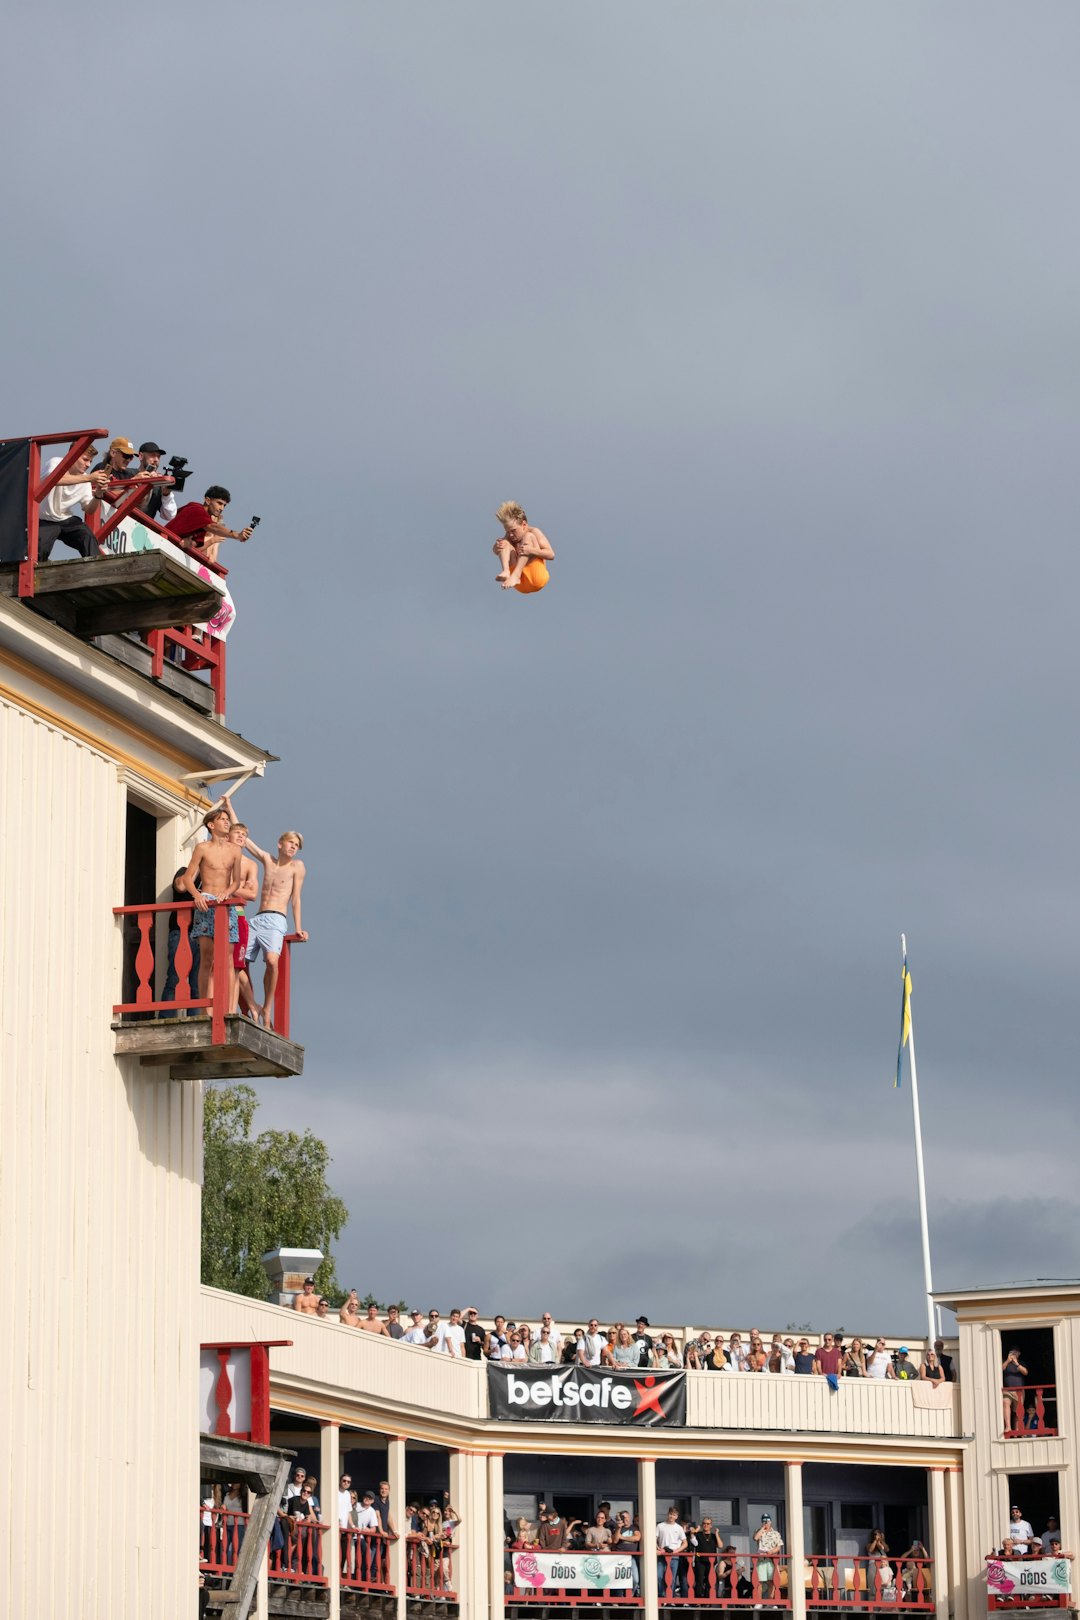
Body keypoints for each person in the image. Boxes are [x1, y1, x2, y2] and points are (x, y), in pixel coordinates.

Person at [227, 803, 307, 1029]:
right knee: (237, 963)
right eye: (291, 843)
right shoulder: (267, 860)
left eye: (297, 846)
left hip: (276, 919)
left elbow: (296, 898)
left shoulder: (297, 867)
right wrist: (230, 805)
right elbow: (243, 837)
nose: (294, 848)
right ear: (280, 844)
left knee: (272, 960)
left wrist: (299, 926)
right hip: (258, 918)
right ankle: (253, 1005)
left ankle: (268, 1008)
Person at [180, 807, 242, 1010]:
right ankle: (205, 1007)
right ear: (211, 825)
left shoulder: (235, 850)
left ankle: (229, 1008)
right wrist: (196, 895)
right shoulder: (202, 848)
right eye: (222, 819)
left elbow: (236, 881)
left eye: (227, 819)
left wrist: (228, 892)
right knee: (207, 956)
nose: (227, 822)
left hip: (225, 903)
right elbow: (188, 878)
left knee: (229, 957)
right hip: (206, 901)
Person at [37, 442, 109, 559]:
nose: (88, 465)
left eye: (90, 461)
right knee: (39, 550)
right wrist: (89, 478)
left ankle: (95, 568)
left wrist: (98, 494)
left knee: (87, 536)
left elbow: (89, 509)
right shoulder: (56, 462)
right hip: (43, 519)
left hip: (65, 519)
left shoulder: (85, 479)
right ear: (72, 455)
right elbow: (53, 480)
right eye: (85, 459)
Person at [166, 484, 253, 567]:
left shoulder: (204, 522)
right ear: (208, 500)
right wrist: (236, 535)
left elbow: (195, 546)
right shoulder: (196, 509)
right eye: (219, 503)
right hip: (164, 542)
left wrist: (189, 542)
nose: (222, 508)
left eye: (224, 506)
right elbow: (213, 527)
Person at [161, 866, 202, 1012]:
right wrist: (197, 866)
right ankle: (166, 1020)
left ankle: (195, 1023)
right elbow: (180, 887)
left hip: (202, 936)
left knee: (197, 985)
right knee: (175, 979)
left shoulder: (212, 879)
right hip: (180, 932)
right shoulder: (185, 871)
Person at [492, 500, 556, 593]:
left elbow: (551, 555)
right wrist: (496, 547)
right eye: (508, 531)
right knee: (504, 542)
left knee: (528, 536)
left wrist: (532, 550)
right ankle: (506, 571)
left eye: (513, 531)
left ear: (524, 525)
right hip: (520, 584)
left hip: (536, 578)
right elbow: (497, 551)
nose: (510, 535)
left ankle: (515, 575)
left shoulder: (534, 531)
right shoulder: (509, 536)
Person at [133, 442, 177, 525]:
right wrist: (138, 481)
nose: (156, 460)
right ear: (141, 456)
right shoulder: (129, 473)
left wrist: (166, 494)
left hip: (140, 533)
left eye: (158, 457)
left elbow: (170, 516)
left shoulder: (158, 486)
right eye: (152, 455)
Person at [657, 1507, 688, 1597]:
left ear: (676, 1517)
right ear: (668, 1514)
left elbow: (685, 1543)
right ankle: (661, 1595)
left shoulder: (679, 1528)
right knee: (659, 1576)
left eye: (674, 1515)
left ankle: (670, 1597)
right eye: (670, 1514)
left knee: (672, 1578)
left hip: (674, 1557)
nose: (671, 1516)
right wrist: (658, 1548)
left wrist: (675, 1551)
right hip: (662, 1555)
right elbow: (654, 1539)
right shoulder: (660, 1526)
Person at [754, 1513, 784, 1601]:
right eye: (763, 1521)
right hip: (761, 1560)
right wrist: (762, 1529)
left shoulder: (776, 1533)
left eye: (767, 1521)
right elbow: (755, 1538)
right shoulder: (758, 1531)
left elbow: (778, 1546)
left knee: (772, 1581)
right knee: (759, 1582)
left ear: (770, 1522)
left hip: (771, 1560)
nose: (765, 1523)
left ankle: (771, 1602)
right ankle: (759, 1602)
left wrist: (771, 1552)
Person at [692, 1516, 721, 1599]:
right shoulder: (698, 1534)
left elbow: (720, 1545)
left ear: (711, 1525)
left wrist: (716, 1534)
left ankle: (707, 1599)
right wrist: (696, 1530)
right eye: (704, 1523)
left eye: (708, 1524)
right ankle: (698, 1599)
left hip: (711, 1562)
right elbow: (691, 1538)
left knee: (709, 1581)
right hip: (700, 1560)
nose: (706, 1525)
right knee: (699, 1581)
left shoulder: (713, 1536)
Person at [1003, 1347, 1028, 1431]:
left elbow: (1025, 1372)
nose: (1013, 1354)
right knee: (1005, 1403)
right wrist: (1007, 1361)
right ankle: (1008, 1426)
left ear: (1019, 1353)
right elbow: (1000, 1370)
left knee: (1018, 1412)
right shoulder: (1005, 1363)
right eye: (1011, 1352)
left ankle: (1017, 1429)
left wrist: (1016, 1363)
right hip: (1007, 1390)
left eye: (1015, 1352)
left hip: (1019, 1391)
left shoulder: (1021, 1363)